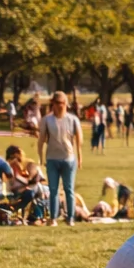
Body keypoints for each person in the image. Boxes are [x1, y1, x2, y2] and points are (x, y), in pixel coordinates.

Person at [37, 92, 83, 226]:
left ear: (66, 104)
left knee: (69, 189)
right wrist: (41, 157)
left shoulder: (72, 119)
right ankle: (53, 218)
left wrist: (79, 157)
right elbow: (41, 140)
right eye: (57, 103)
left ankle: (70, 218)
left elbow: (79, 140)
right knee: (53, 190)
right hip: (52, 158)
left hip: (68, 159)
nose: (60, 106)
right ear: (53, 104)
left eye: (62, 103)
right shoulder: (47, 120)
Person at [4, 145, 49, 224]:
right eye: (12, 158)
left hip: (30, 188)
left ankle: (37, 215)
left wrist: (26, 181)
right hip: (18, 190)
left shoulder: (27, 164)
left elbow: (33, 179)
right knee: (35, 190)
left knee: (37, 189)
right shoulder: (11, 166)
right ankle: (37, 215)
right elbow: (14, 183)